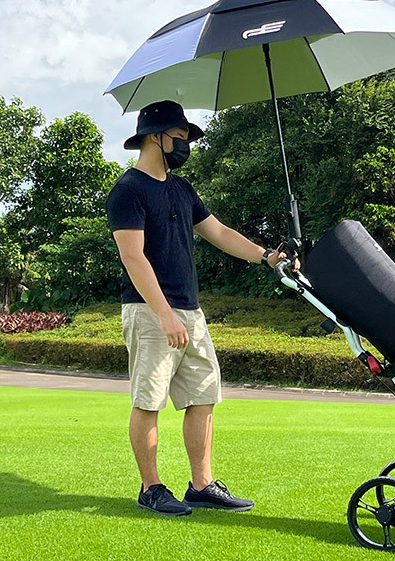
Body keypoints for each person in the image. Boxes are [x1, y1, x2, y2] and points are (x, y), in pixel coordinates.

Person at [106, 100, 294, 517]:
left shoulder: (182, 189)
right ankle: (151, 488)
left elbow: (220, 232)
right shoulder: (128, 190)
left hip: (189, 311)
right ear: (154, 136)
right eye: (179, 136)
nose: (185, 144)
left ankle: (202, 485)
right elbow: (133, 256)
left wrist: (266, 256)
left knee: (203, 394)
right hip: (150, 311)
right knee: (149, 400)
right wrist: (164, 313)